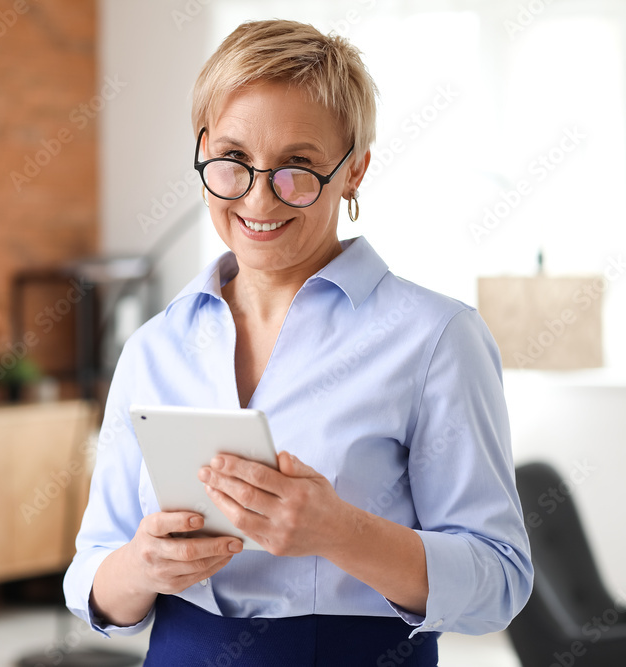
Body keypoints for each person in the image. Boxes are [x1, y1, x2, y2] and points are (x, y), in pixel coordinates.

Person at [64, 19, 532, 666]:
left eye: (298, 166)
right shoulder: (154, 345)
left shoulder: (436, 339)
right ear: (203, 152)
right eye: (232, 159)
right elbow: (90, 569)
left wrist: (342, 532)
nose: (259, 195)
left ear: (355, 170)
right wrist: (142, 564)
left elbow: (500, 580)